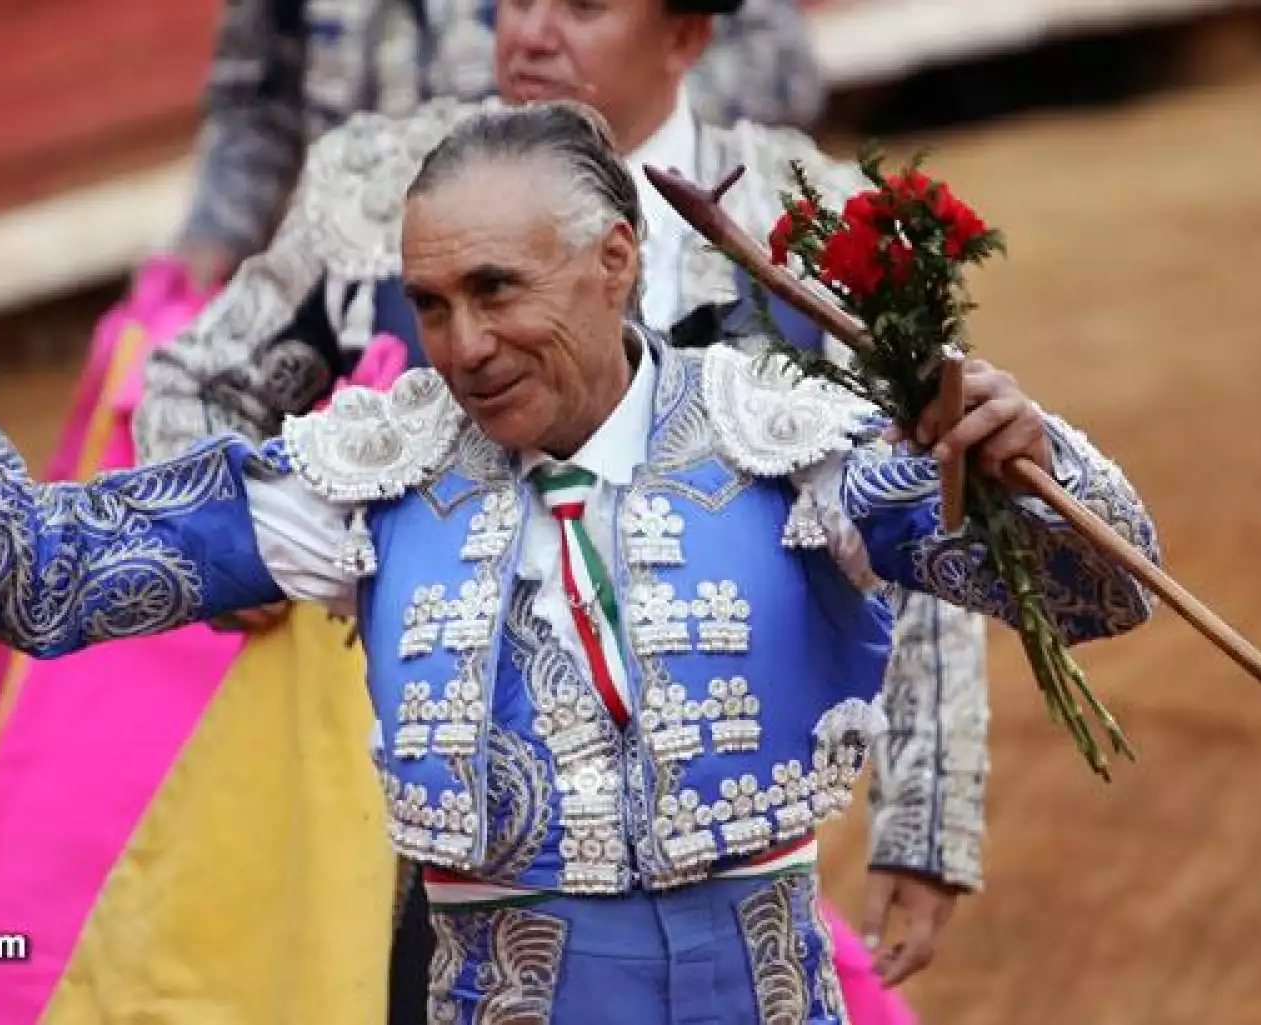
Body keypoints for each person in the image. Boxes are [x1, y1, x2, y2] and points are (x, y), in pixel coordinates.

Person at [0, 100, 1159, 1023]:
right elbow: (43, 570)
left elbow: (1099, 591)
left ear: (616, 261)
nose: (460, 345)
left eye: (498, 290)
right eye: (432, 302)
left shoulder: (784, 440)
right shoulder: (368, 472)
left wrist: (1028, 466)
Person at [138, 0, 986, 1002]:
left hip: (733, 835)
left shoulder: (809, 225)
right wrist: (255, 555)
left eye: (580, 5)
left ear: (686, 35)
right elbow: (195, 382)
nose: (528, 33)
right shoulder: (385, 198)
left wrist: (924, 818)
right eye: (509, 1)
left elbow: (924, 517)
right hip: (457, 829)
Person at [176, 0, 828, 290]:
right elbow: (255, 103)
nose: (535, 30)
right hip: (370, 251)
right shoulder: (354, 197)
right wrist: (211, 240)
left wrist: (598, 149)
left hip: (630, 221)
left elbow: (777, 61)